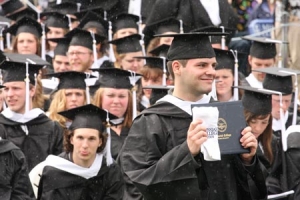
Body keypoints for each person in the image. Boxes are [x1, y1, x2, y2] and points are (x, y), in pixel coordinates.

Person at [118, 33, 268, 200]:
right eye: (202, 65)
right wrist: (185, 152)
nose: (211, 72)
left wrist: (249, 161)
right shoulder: (151, 121)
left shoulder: (227, 115)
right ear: (177, 67)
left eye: (213, 65)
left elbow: (255, 188)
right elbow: (137, 185)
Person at [36, 104, 124, 200]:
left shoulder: (110, 171)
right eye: (80, 138)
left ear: (100, 142)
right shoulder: (54, 171)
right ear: (71, 139)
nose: (85, 145)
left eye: (91, 139)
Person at [0, 60, 63, 171]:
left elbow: (59, 170)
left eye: (16, 88)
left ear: (32, 91)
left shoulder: (51, 128)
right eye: (6, 89)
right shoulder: (1, 126)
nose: (9, 94)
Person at [93, 68, 133, 159]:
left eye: (122, 96)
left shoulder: (138, 126)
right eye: (110, 95)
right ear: (100, 97)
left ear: (129, 100)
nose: (116, 101)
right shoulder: (92, 128)